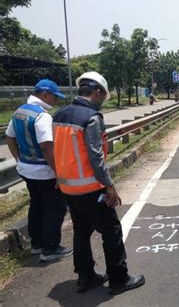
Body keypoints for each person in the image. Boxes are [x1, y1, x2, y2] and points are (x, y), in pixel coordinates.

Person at [53, 71, 145, 295]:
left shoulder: (60, 114)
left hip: (67, 187)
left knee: (81, 231)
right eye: (104, 96)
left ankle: (85, 277)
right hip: (90, 187)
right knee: (111, 231)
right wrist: (110, 186)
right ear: (97, 92)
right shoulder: (91, 118)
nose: (104, 100)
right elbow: (96, 156)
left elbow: (58, 151)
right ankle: (119, 279)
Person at [5, 79, 73, 262]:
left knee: (37, 205)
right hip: (44, 171)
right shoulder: (42, 116)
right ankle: (50, 248)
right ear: (45, 94)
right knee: (56, 207)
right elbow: (46, 146)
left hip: (26, 169)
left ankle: (37, 244)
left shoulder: (19, 112)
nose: (55, 101)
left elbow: (9, 137)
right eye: (54, 97)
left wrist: (19, 158)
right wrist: (58, 172)